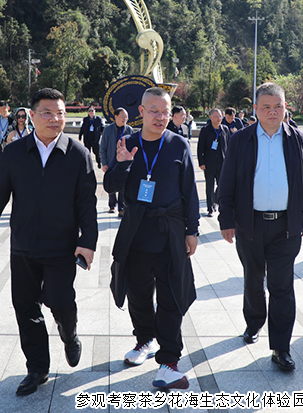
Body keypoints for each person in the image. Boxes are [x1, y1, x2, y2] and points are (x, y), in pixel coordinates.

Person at [0, 88, 97, 397]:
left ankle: (70, 335)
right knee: (25, 307)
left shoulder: (78, 154)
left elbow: (87, 204)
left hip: (62, 246)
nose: (55, 119)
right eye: (48, 113)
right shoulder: (14, 154)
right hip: (24, 246)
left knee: (60, 301)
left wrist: (88, 241)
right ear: (32, 115)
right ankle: (37, 368)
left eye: (60, 113)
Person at [217, 82, 303, 372]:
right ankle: (254, 322)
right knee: (253, 279)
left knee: (282, 286)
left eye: (278, 106)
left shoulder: (298, 139)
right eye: (266, 107)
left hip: (286, 226)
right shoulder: (241, 140)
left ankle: (281, 347)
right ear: (256, 109)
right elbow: (227, 181)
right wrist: (226, 219)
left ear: (286, 108)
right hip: (250, 224)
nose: (272, 112)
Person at [104, 86, 199, 390]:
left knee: (171, 296)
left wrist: (192, 230)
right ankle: (144, 339)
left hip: (170, 231)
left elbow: (190, 190)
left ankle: (169, 361)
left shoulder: (178, 144)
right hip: (136, 231)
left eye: (165, 112)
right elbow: (109, 185)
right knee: (138, 293)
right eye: (154, 111)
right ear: (141, 112)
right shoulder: (128, 142)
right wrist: (122, 165)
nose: (160, 117)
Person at [100, 108, 133, 216]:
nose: (125, 119)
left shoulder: (129, 130)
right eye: (122, 116)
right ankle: (112, 205)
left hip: (124, 163)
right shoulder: (108, 129)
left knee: (123, 185)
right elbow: (103, 147)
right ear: (116, 117)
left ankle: (121, 208)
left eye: (126, 117)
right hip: (111, 161)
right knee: (111, 183)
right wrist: (104, 163)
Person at [198, 109, 230, 217]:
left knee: (222, 185)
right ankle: (210, 208)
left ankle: (217, 201)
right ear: (210, 117)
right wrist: (201, 162)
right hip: (209, 163)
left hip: (222, 163)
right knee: (209, 186)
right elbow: (200, 147)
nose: (218, 118)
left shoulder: (225, 129)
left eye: (220, 116)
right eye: (216, 116)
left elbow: (229, 146)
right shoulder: (205, 130)